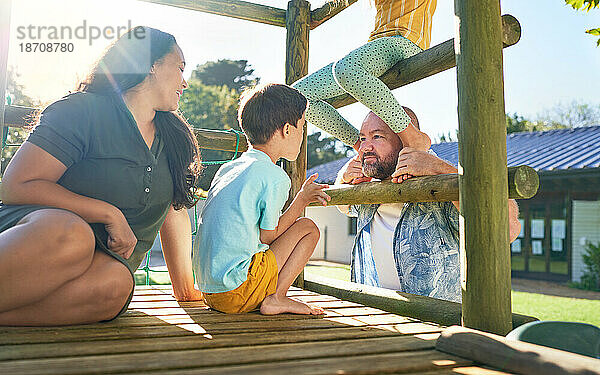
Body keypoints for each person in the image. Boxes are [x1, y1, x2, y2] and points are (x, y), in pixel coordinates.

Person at [0, 27, 203, 326]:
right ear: (151, 64)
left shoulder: (176, 138)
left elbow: (174, 210)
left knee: (117, 285)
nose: (185, 82)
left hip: (101, 265)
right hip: (37, 238)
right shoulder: (81, 110)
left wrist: (185, 288)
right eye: (181, 68)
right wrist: (108, 213)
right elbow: (16, 186)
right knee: (73, 235)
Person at [336, 111, 521, 302]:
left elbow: (507, 229)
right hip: (376, 315)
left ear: (404, 144)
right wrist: (343, 175)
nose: (364, 147)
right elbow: (342, 206)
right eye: (362, 138)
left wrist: (439, 169)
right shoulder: (368, 189)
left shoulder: (436, 188)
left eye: (377, 136)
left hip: (437, 325)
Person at [193, 83, 329, 315]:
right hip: (236, 291)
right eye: (302, 127)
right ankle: (277, 298)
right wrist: (302, 200)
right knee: (308, 228)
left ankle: (273, 296)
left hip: (209, 290)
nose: (302, 134)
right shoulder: (275, 176)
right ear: (287, 129)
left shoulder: (228, 169)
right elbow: (268, 236)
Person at [292, 0, 436, 152]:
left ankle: (413, 137)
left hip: (407, 40)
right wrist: (324, 12)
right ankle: (360, 145)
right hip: (378, 45)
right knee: (297, 96)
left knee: (347, 68)